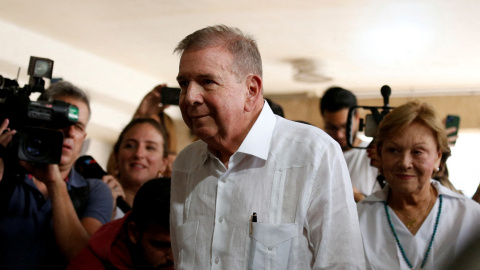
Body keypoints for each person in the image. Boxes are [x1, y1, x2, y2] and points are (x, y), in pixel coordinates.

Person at [170, 25, 365, 269]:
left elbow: (342, 263)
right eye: (184, 84)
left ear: (251, 90)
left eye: (207, 82)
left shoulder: (313, 152)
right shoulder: (186, 163)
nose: (190, 97)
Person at [0, 81, 113, 269]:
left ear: (83, 137)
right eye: (61, 122)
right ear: (38, 121)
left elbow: (82, 260)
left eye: (77, 126)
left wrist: (55, 183)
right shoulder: (6, 168)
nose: (69, 132)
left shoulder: (95, 191)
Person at [357, 100, 480, 269]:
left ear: (437, 156)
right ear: (380, 153)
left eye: (418, 152)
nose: (405, 163)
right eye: (393, 150)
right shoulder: (358, 219)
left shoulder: (469, 217)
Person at [67, 178, 173, 270]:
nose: (173, 258)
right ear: (134, 233)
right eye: (161, 245)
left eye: (184, 246)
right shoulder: (90, 266)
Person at [320, 86, 381, 201]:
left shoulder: (372, 154)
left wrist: (352, 194)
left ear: (357, 117)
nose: (339, 134)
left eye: (345, 126)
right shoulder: (321, 157)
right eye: (331, 127)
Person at [103, 117, 169, 219]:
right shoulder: (96, 196)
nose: (139, 154)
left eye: (150, 147)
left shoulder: (171, 211)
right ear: (116, 155)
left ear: (163, 163)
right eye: (130, 146)